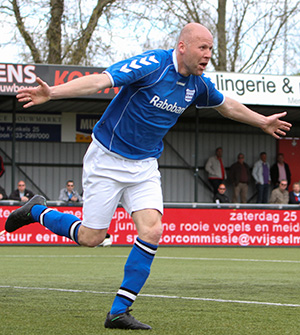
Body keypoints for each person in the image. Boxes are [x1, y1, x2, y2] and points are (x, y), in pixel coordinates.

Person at [5, 23, 291, 330]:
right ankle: (36, 210)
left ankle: (118, 311)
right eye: (202, 48)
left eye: (211, 49)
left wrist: (262, 121)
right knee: (92, 238)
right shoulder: (153, 64)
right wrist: (53, 93)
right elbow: (101, 81)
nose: (208, 55)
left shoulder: (199, 84)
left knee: (152, 232)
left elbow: (227, 106)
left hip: (144, 166)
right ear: (182, 46)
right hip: (107, 159)